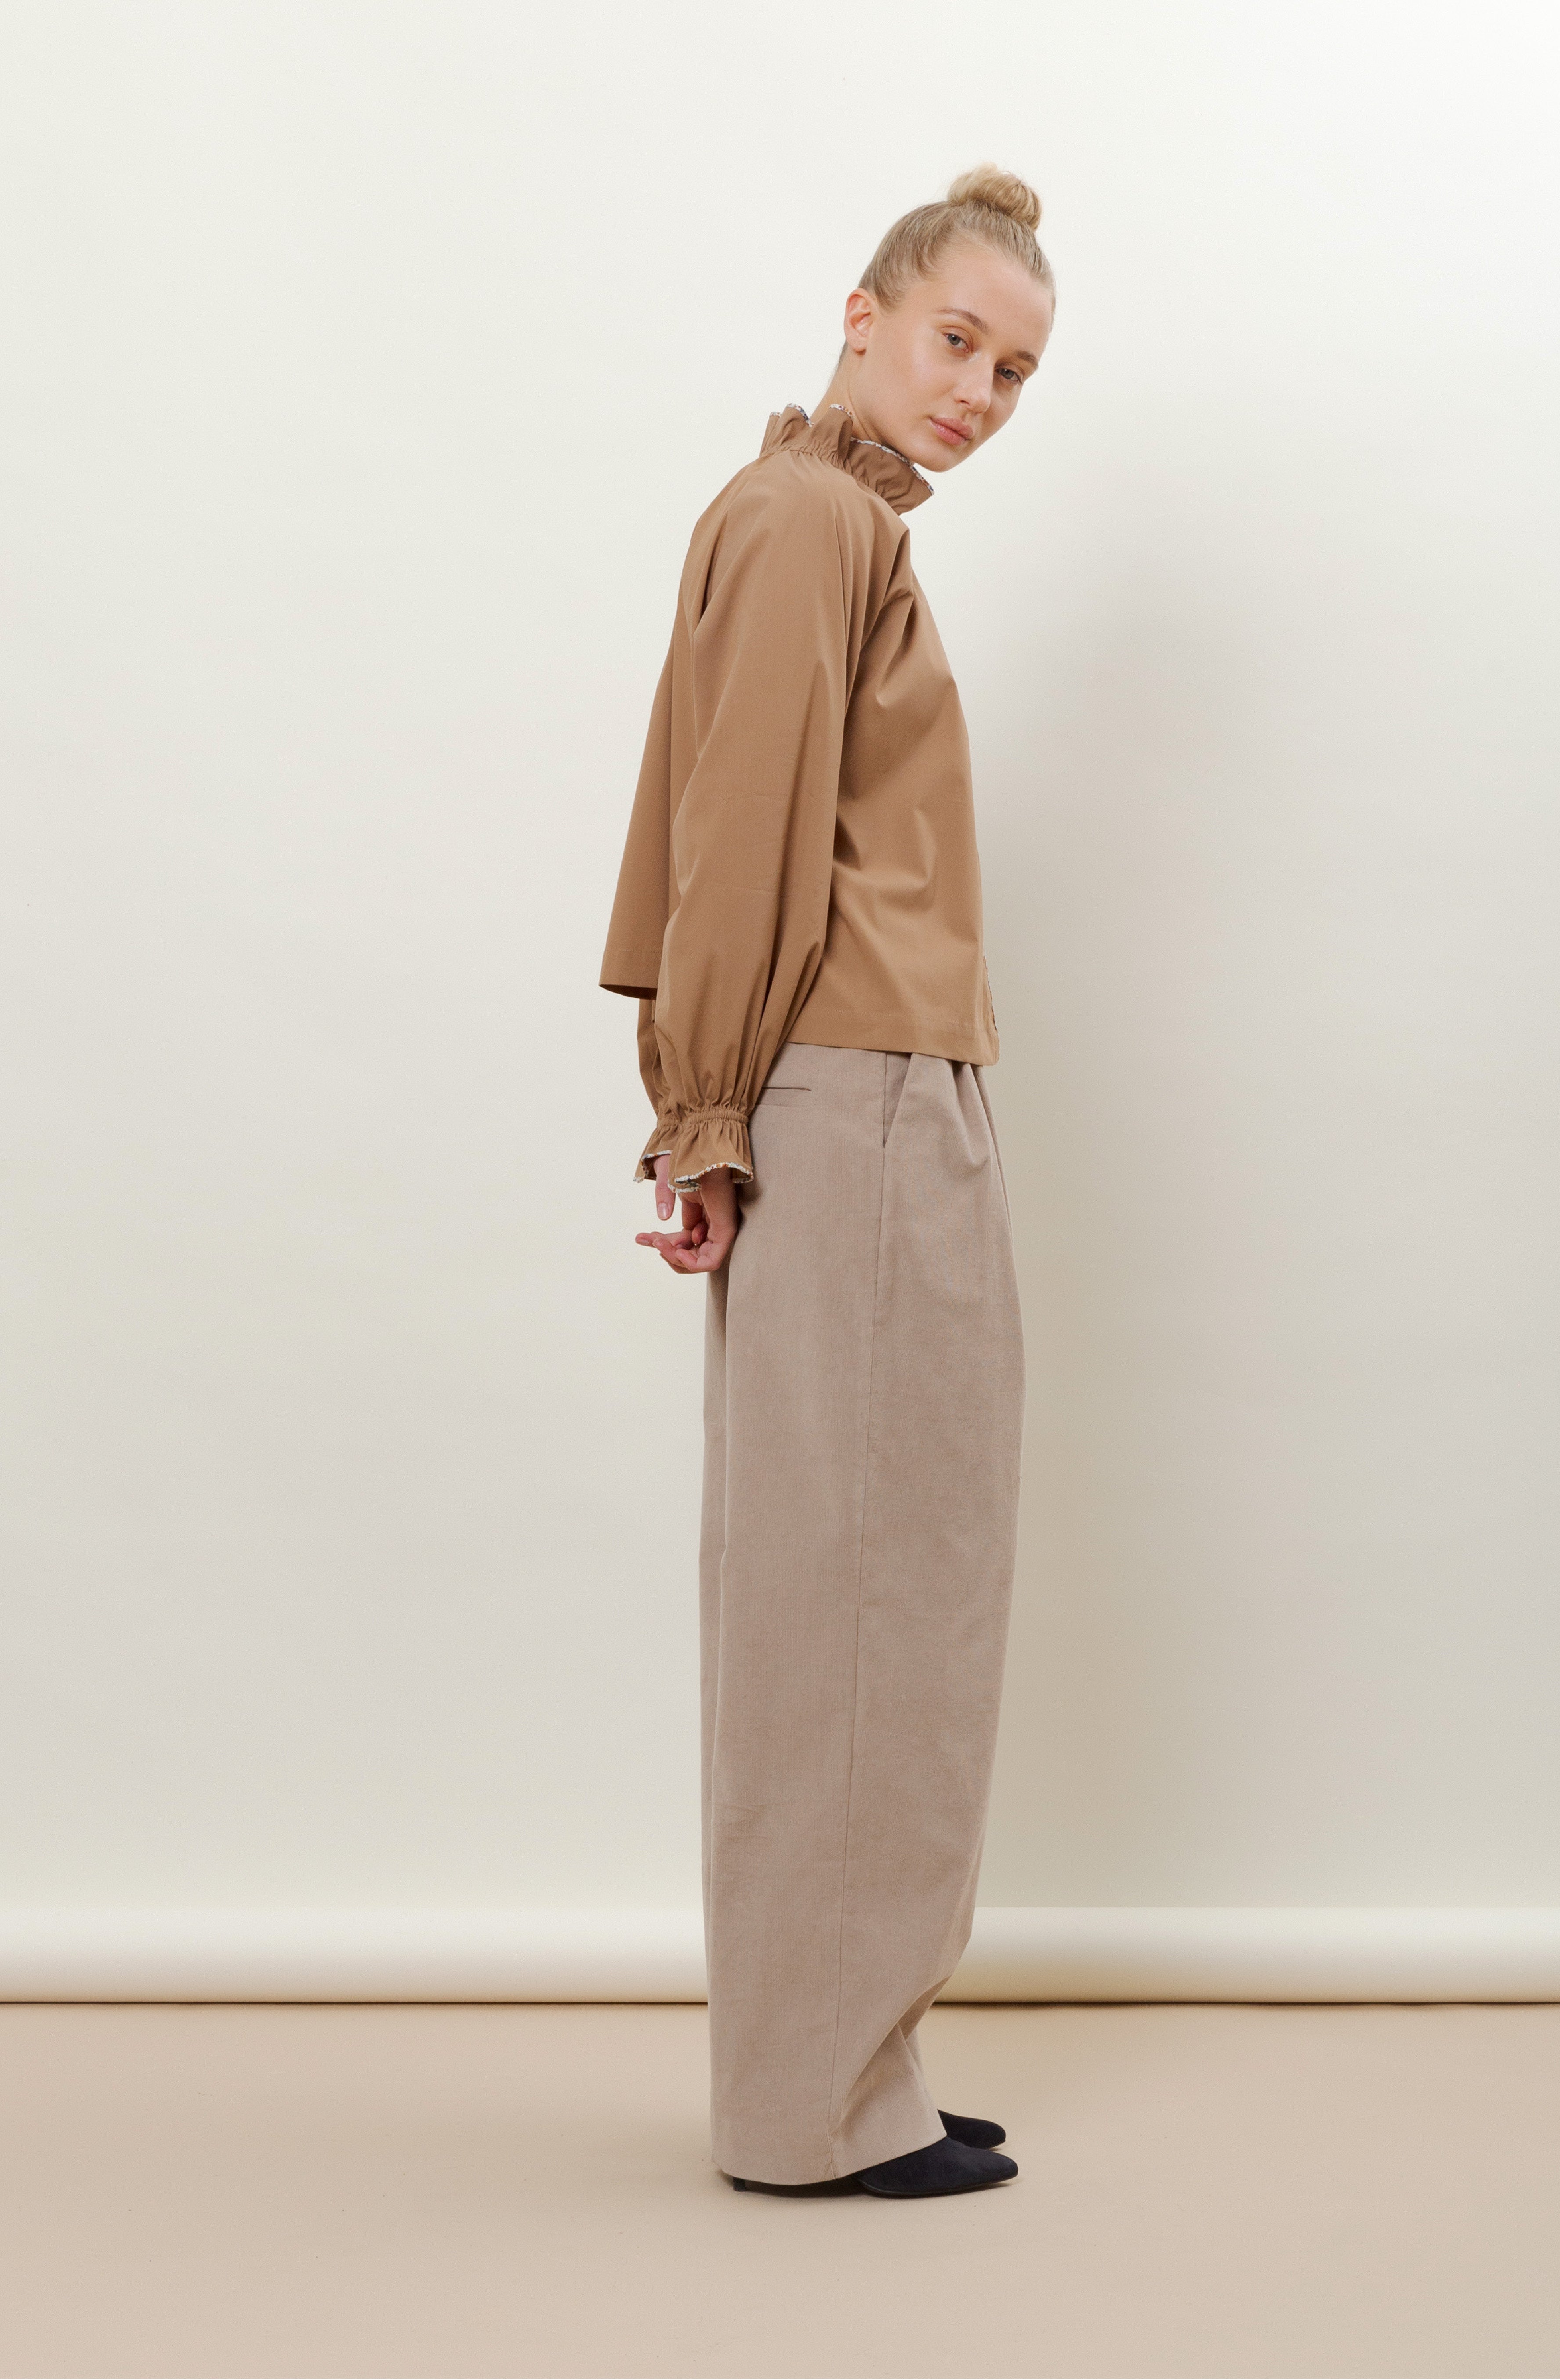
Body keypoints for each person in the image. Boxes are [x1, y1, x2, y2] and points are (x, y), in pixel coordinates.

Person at [599, 167, 1053, 2200]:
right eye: (956, 338)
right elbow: (742, 833)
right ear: (861, 313)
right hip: (851, 1093)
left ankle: (847, 2059)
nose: (980, 386)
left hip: (881, 1087)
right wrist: (702, 1110)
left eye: (1017, 369)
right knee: (860, 1593)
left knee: (889, 1585)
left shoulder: (833, 522)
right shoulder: (804, 521)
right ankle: (813, 2105)